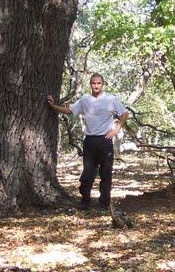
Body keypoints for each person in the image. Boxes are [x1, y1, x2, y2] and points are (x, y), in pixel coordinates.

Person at [47, 74, 128, 211]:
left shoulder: (111, 99)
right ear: (90, 84)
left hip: (105, 140)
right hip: (90, 141)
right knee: (87, 174)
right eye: (93, 83)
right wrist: (53, 106)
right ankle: (85, 200)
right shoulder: (85, 99)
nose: (96, 86)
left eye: (99, 83)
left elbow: (124, 113)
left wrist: (117, 129)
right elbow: (69, 110)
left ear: (103, 84)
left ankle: (104, 203)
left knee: (106, 173)